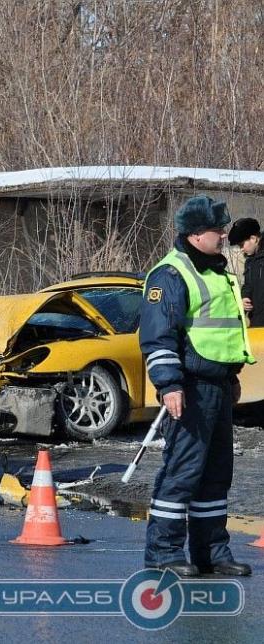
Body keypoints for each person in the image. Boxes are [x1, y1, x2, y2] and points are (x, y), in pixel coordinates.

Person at [138, 194, 255, 578]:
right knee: (183, 471)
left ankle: (211, 552)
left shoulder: (216, 271)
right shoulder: (170, 274)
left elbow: (220, 333)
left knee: (216, 473)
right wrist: (170, 385)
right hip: (188, 387)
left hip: (217, 386)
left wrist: (231, 376)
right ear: (194, 234)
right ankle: (165, 553)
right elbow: (159, 338)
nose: (223, 235)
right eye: (216, 230)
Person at [228, 217, 264, 327]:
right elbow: (248, 285)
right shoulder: (250, 261)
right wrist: (244, 297)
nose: (241, 249)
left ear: (253, 239)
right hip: (257, 322)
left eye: (241, 244)